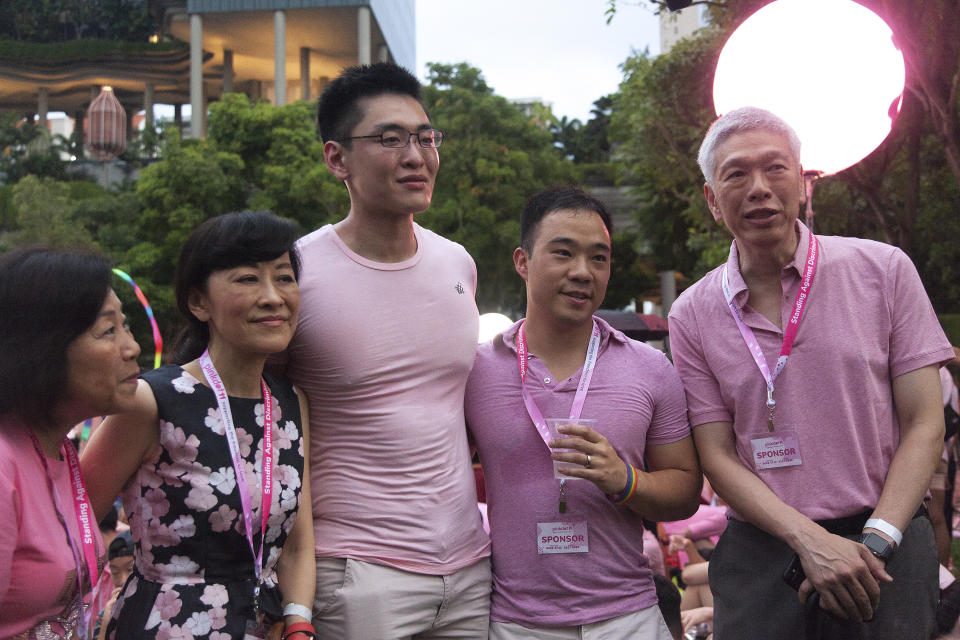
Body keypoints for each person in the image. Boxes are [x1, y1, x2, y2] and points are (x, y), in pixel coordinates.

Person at [668, 106, 954, 639]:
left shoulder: (884, 271)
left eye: (775, 168)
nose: (758, 188)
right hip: (764, 552)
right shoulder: (692, 313)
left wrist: (877, 540)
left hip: (885, 542)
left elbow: (924, 423)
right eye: (735, 174)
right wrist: (808, 540)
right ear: (712, 200)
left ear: (803, 184)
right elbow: (716, 453)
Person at [270, 62, 491, 639]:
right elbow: (264, 420)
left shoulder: (457, 263)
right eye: (390, 139)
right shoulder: (297, 274)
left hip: (469, 568)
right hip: (357, 571)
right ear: (336, 158)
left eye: (425, 137)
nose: (416, 156)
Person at [464, 187, 701, 638]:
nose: (582, 272)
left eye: (598, 258)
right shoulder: (476, 370)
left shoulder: (650, 368)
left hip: (628, 617)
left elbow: (686, 491)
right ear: (523, 262)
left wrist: (625, 480)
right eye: (563, 253)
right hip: (515, 622)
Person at [81, 211, 316, 640]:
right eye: (247, 279)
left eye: (283, 278)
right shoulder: (153, 400)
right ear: (198, 302)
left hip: (268, 628)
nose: (272, 297)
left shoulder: (290, 402)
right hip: (165, 627)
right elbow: (74, 518)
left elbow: (297, 543)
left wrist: (300, 620)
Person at [0, 248, 142, 639]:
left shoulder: (56, 449)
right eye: (108, 331)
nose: (132, 348)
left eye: (125, 326)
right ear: (42, 347)